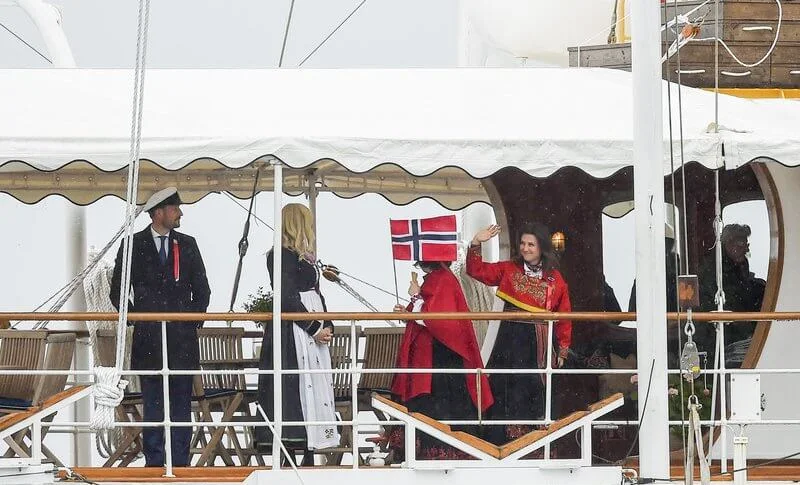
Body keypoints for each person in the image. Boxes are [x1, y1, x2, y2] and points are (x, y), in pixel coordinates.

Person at [110, 187, 211, 467]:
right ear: (158, 212)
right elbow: (117, 291)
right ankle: (154, 465)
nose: (180, 213)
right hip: (149, 340)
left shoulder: (188, 244)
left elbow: (203, 291)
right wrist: (136, 320)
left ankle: (180, 464)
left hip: (181, 341)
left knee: (180, 407)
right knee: (153, 405)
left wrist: (191, 322)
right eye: (175, 208)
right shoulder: (133, 244)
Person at [467, 223, 572, 445]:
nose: (525, 248)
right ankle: (502, 441)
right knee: (506, 386)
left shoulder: (555, 279)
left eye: (531, 244)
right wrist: (476, 242)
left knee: (534, 387)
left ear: (541, 247)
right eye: (523, 243)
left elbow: (564, 315)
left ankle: (534, 442)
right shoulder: (509, 269)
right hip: (510, 339)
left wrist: (563, 348)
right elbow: (476, 271)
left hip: (538, 342)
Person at [257, 203, 339, 464]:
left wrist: (327, 323)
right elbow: (286, 297)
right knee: (294, 387)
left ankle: (313, 445)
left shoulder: (304, 256)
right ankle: (293, 448)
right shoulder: (279, 255)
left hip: (309, 329)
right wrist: (315, 327)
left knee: (314, 386)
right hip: (293, 332)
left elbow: (316, 293)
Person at [390, 262, 494, 459]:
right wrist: (409, 310)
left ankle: (435, 452)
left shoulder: (442, 279)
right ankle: (437, 451)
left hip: (439, 359)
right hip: (436, 359)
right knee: (438, 405)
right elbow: (429, 313)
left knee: (436, 405)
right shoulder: (439, 278)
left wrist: (415, 297)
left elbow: (437, 321)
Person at [697, 223, 766, 367]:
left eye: (747, 243)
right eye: (742, 243)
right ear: (729, 243)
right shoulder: (714, 267)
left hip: (738, 325)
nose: (747, 248)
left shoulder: (740, 263)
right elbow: (729, 298)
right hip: (718, 330)